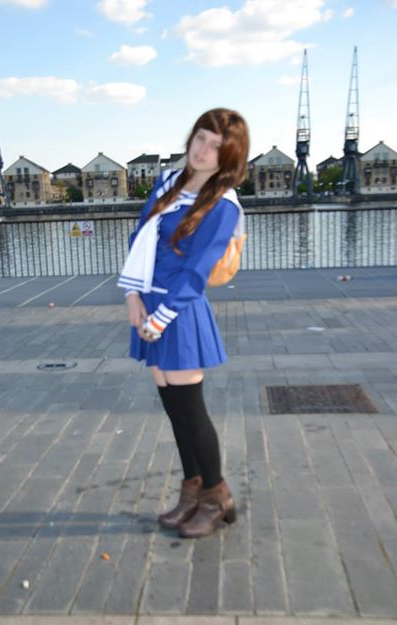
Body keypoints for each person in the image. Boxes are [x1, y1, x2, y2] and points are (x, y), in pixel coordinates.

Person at [118, 108, 249, 538]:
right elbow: (140, 237)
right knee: (175, 412)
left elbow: (196, 272)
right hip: (149, 304)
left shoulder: (223, 204)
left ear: (228, 157)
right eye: (201, 138)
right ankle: (192, 494)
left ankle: (217, 497)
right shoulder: (168, 183)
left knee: (192, 412)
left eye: (216, 146)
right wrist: (132, 297)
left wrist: (159, 318)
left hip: (180, 312)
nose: (203, 150)